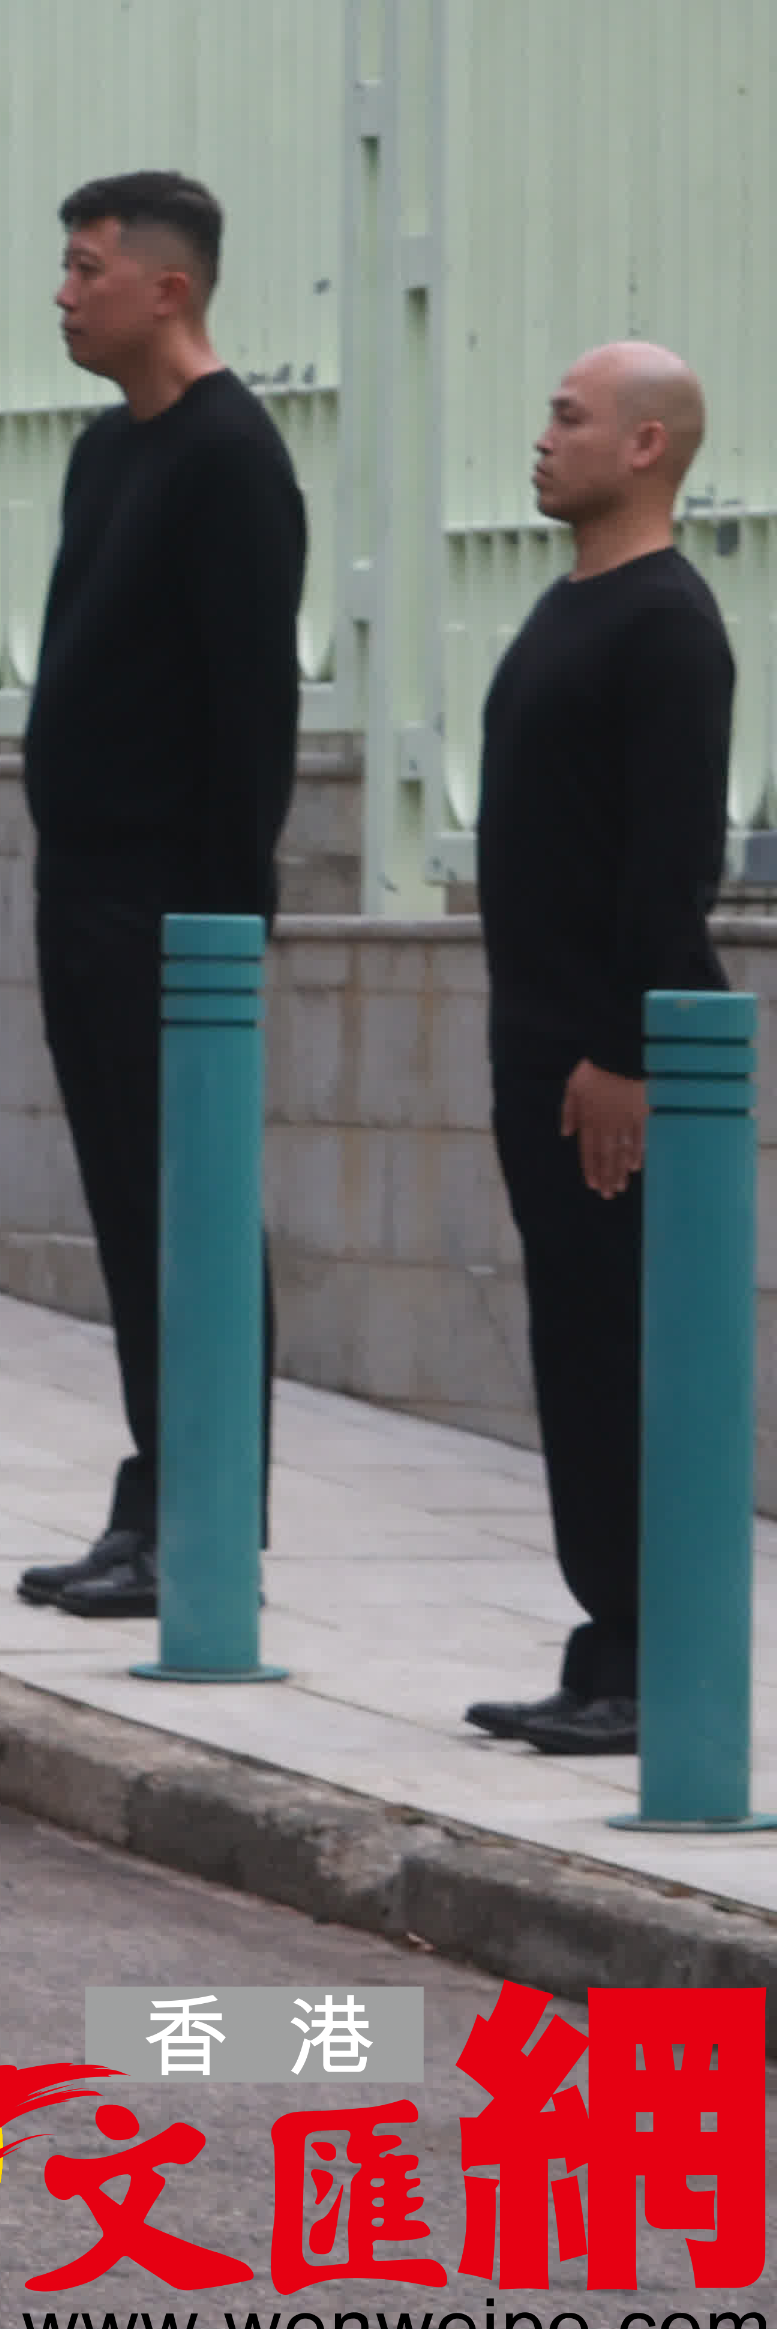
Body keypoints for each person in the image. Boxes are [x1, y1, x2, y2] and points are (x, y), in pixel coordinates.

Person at [12, 169, 306, 1622]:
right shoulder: (106, 452)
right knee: (131, 1207)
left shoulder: (229, 457)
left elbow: (251, 720)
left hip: (173, 912)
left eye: (84, 269)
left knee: (190, 1204)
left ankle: (209, 1507)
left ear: (166, 287)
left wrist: (222, 932)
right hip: (86, 891)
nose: (64, 295)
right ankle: (156, 1486)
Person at [460, 342, 735, 1761]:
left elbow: (672, 858)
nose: (544, 436)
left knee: (624, 1353)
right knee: (575, 1351)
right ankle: (604, 1643)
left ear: (646, 446)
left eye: (570, 417)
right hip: (540, 1046)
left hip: (606, 1072)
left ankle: (650, 1654)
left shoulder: (668, 624)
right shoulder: (572, 605)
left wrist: (628, 1051)